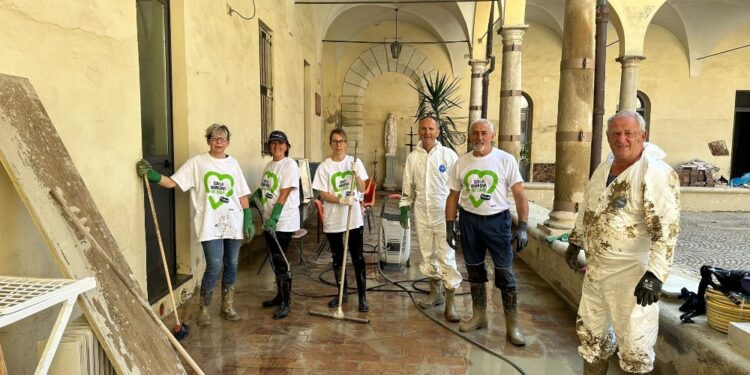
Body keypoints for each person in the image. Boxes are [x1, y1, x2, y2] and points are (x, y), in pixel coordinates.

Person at [564, 111, 680, 374]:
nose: (622, 139)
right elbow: (588, 207)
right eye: (616, 133)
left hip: (633, 278)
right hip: (597, 272)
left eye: (629, 133)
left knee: (635, 350)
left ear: (643, 136)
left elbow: (666, 229)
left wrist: (655, 274)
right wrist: (576, 240)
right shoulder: (604, 167)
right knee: (592, 338)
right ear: (608, 137)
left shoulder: (656, 173)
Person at [136, 124, 252, 326]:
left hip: (233, 221)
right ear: (208, 140)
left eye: (223, 139)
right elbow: (173, 182)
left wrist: (248, 219)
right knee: (215, 265)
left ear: (228, 142)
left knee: (232, 264)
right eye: (214, 138)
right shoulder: (197, 163)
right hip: (209, 223)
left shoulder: (233, 164)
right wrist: (153, 175)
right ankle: (204, 309)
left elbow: (242, 195)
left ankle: (227, 307)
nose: (219, 142)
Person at [445, 118, 529, 346]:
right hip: (469, 222)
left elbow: (520, 194)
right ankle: (479, 316)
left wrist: (522, 227)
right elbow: (453, 196)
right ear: (470, 136)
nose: (479, 137)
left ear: (492, 136)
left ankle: (513, 327)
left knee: (504, 273)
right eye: (475, 133)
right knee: (474, 270)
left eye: (484, 133)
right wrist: (449, 225)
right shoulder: (462, 162)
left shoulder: (504, 159)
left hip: (497, 222)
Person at [400, 116, 461, 322]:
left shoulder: (448, 155)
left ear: (438, 132)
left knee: (447, 256)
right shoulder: (413, 157)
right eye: (424, 128)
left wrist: (456, 216)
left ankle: (450, 303)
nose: (427, 132)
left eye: (431, 129)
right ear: (419, 131)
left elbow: (456, 188)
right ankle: (435, 294)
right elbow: (408, 184)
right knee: (427, 253)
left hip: (444, 214)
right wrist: (404, 207)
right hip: (422, 212)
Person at [312, 129, 370, 312]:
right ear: (330, 144)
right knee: (337, 258)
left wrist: (357, 175)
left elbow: (363, 188)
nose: (338, 145)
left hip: (353, 219)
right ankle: (341, 293)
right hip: (334, 219)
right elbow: (322, 193)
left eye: (341, 141)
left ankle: (362, 297)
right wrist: (341, 200)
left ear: (346, 143)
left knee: (357, 257)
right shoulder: (324, 167)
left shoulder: (354, 162)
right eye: (335, 141)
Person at [254, 130, 300, 319]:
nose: (276, 146)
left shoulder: (289, 165)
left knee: (280, 261)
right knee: (274, 259)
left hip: (283, 222)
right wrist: (255, 197)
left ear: (287, 146)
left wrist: (274, 217)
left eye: (280, 143)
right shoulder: (269, 165)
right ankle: (279, 295)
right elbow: (266, 189)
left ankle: (285, 302)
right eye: (273, 143)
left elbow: (284, 193)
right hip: (269, 222)